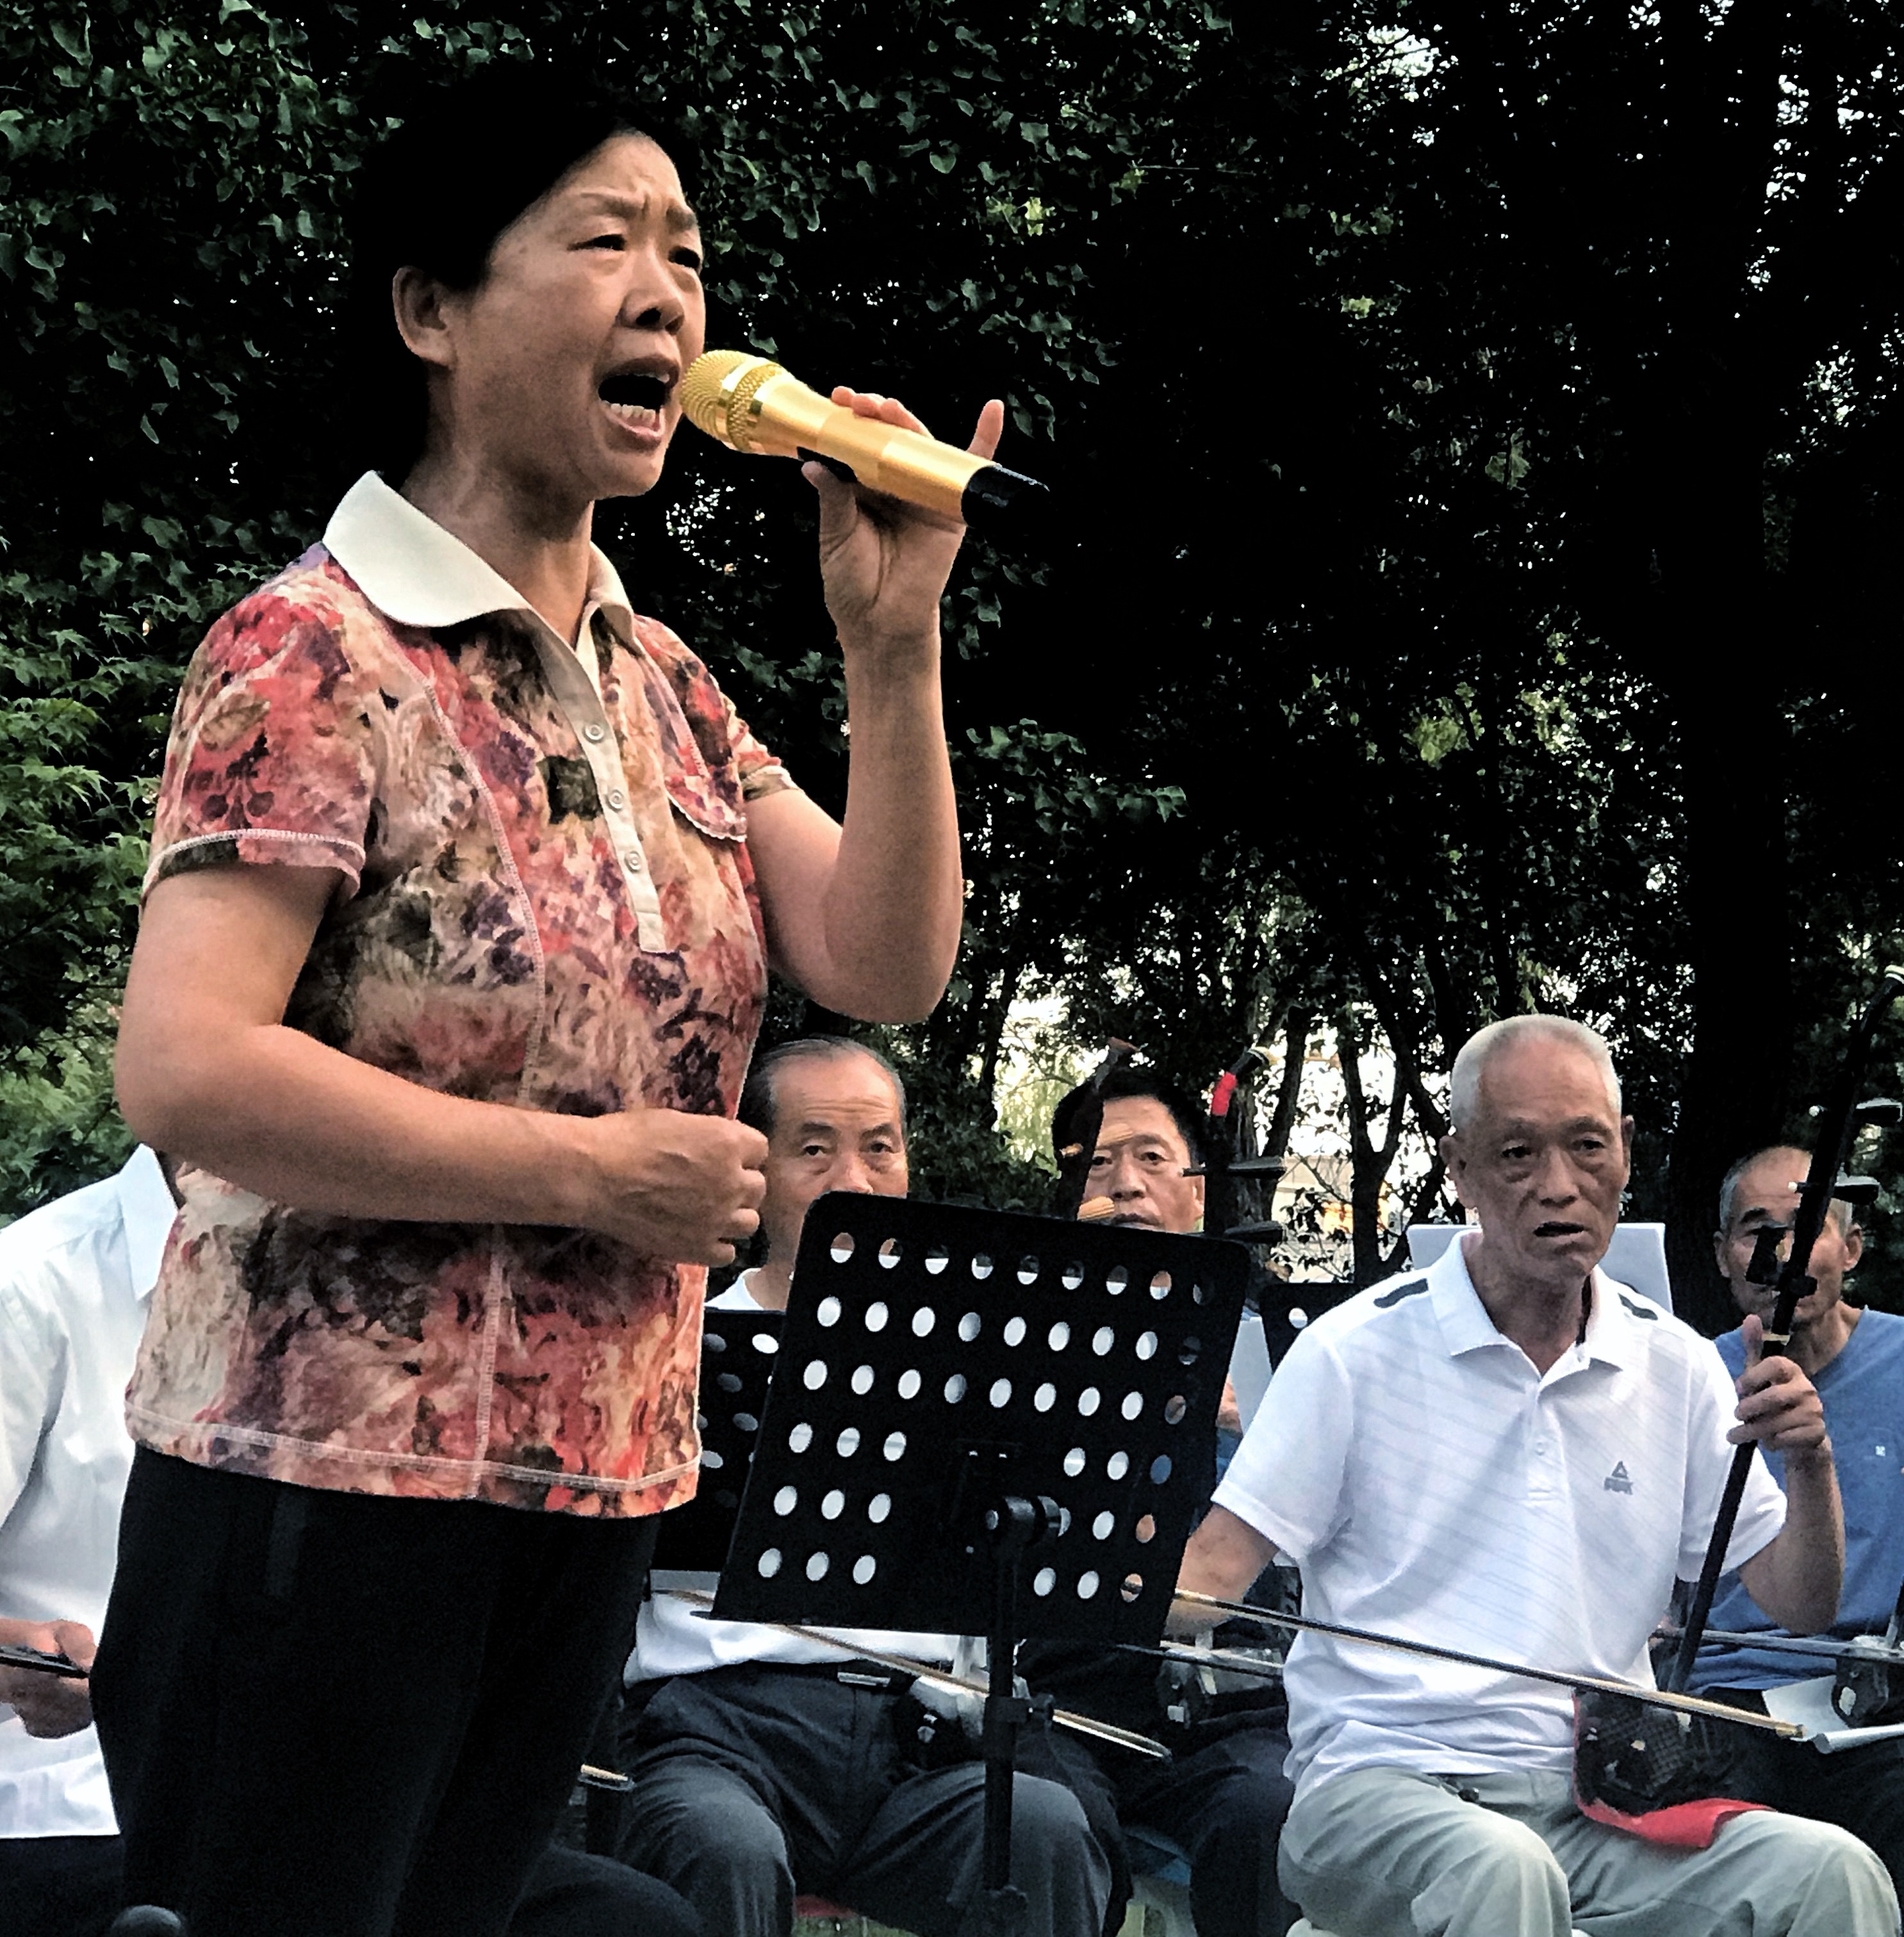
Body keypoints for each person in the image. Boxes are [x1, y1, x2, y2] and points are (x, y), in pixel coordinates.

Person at [96, 62, 983, 1937]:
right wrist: (582, 1177)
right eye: (605, 240)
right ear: (432, 310)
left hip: (586, 1499)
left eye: (688, 250)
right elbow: (184, 1064)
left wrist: (891, 649)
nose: (670, 288)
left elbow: (883, 961)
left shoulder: (663, 679)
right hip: (317, 1503)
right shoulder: (311, 649)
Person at [1176, 1013, 1899, 1937]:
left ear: (1627, 1152)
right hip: (1379, 1794)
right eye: (1517, 1153)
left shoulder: (1672, 1362)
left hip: (1605, 1803)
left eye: (1587, 1146)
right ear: (1461, 1168)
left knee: (1834, 1873)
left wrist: (1811, 1459)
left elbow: (1801, 1602)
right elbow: (1207, 1582)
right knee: (1503, 1873)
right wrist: (1077, 1538)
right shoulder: (1353, 1352)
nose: (1559, 1187)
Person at [0, 1145, 695, 1937]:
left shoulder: (401, 1304)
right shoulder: (30, 1285)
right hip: (66, 1813)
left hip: (337, 1788)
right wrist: (21, 1656)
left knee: (628, 1920)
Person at [616, 1035, 1112, 1937]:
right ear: (757, 1170)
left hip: (919, 1741)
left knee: (1044, 1832)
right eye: (815, 1150)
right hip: (723, 1730)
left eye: (880, 1147)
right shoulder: (674, 1344)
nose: (855, 1178)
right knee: (718, 1845)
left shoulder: (984, 1362)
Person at [1686, 1144, 1904, 1937]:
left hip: (1891, 1700)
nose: (1783, 1250)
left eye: (1808, 1226)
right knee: (1710, 1808)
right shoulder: (1690, 1377)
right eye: (1757, 1229)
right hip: (1730, 1693)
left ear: (1851, 1246)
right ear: (1723, 1256)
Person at [1023, 1066, 1297, 1937]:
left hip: (1238, 1707)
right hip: (1068, 1699)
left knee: (1268, 1811)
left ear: (1202, 1191)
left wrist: (1240, 1439)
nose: (1128, 1185)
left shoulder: (1280, 1354)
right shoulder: (1028, 1343)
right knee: (1046, 1814)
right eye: (1100, 1167)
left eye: (1152, 1159)